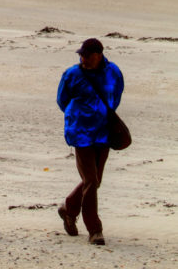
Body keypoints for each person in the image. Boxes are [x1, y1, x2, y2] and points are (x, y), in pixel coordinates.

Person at [56, 37, 124, 246]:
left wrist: (102, 113)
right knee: (91, 181)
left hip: (103, 132)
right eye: (81, 55)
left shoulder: (113, 71)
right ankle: (95, 230)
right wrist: (80, 115)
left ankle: (68, 208)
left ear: (98, 55)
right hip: (80, 133)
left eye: (86, 55)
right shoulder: (72, 74)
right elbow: (62, 101)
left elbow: (117, 95)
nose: (82, 59)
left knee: (94, 181)